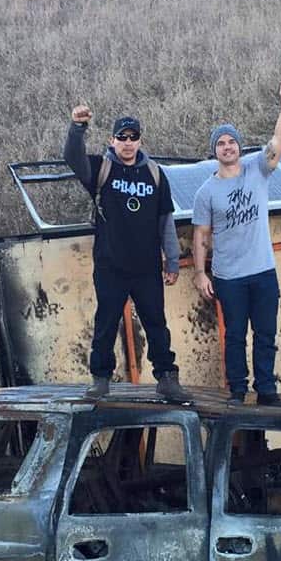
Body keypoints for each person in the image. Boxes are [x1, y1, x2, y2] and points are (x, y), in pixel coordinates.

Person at [64, 104, 189, 401]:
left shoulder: (155, 174)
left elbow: (165, 221)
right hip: (110, 265)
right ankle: (101, 379)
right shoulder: (100, 169)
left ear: (140, 141)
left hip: (146, 267)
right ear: (112, 141)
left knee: (156, 323)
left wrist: (172, 260)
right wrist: (77, 128)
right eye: (122, 137)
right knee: (106, 322)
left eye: (133, 137)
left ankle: (167, 378)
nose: (128, 142)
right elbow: (72, 158)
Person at [191, 83, 281, 407]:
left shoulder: (257, 169)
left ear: (239, 146)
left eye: (231, 141)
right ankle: (237, 390)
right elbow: (200, 236)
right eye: (221, 144)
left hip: (263, 271)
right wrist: (199, 273)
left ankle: (266, 390)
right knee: (235, 337)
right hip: (229, 276)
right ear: (215, 151)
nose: (227, 147)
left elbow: (279, 140)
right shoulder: (206, 192)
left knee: (265, 335)